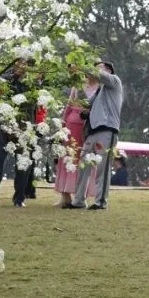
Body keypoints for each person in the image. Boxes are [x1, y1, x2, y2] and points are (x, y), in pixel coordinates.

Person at [73, 59, 124, 211]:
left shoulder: (114, 81)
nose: (95, 71)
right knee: (83, 166)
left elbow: (98, 74)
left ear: (108, 70)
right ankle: (78, 201)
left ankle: (100, 202)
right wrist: (77, 81)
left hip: (107, 129)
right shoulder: (98, 91)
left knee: (103, 168)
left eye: (99, 68)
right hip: (92, 131)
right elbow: (85, 104)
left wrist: (80, 66)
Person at [0, 60, 36, 208]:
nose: (22, 67)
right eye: (19, 63)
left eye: (25, 64)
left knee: (23, 163)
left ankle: (19, 199)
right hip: (5, 126)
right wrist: (14, 77)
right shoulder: (6, 78)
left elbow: (34, 104)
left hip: (24, 127)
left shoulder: (32, 83)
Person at [55, 77, 89, 208]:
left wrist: (63, 124)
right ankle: (72, 196)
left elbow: (69, 106)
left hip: (77, 123)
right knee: (76, 158)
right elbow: (69, 105)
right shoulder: (88, 85)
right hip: (78, 124)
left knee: (72, 158)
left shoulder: (80, 85)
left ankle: (69, 196)